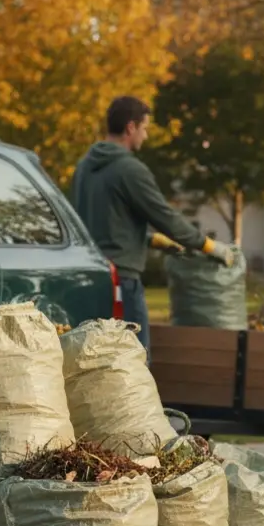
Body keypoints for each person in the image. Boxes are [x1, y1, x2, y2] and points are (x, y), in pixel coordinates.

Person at [71, 95, 234, 355]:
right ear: (130, 127)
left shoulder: (83, 167)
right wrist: (207, 245)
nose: (145, 136)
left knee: (93, 359)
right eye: (144, 128)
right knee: (133, 359)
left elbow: (94, 221)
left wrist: (149, 239)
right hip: (119, 280)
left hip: (84, 277)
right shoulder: (128, 169)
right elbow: (165, 216)